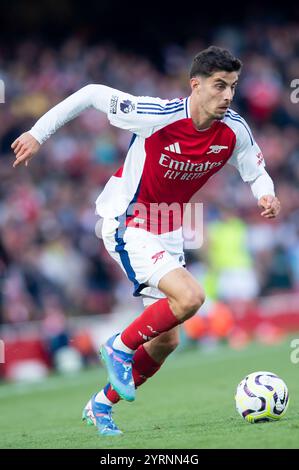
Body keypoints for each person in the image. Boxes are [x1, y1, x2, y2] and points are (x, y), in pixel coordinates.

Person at [11, 46, 281, 436]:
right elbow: (89, 94)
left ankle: (101, 404)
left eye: (233, 87)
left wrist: (265, 195)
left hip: (169, 226)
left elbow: (256, 171)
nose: (227, 95)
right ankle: (118, 346)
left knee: (167, 340)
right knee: (190, 297)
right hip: (127, 217)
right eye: (219, 86)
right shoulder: (155, 115)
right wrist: (38, 134)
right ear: (196, 85)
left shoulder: (235, 129)